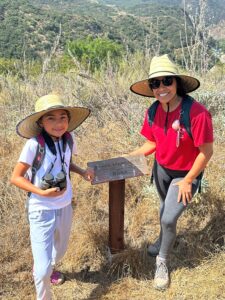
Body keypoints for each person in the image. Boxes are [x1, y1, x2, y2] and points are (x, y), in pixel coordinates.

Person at [129, 54, 213, 290]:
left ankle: (162, 261)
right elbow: (151, 143)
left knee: (168, 217)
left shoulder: (197, 113)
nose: (161, 88)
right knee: (164, 209)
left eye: (167, 81)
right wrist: (129, 158)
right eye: (155, 83)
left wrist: (188, 180)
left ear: (177, 83)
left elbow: (206, 152)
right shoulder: (154, 110)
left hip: (185, 174)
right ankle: (162, 240)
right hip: (162, 169)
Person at [10, 94, 94, 300]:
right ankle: (44, 288)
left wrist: (82, 172)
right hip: (41, 208)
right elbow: (16, 177)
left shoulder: (68, 139)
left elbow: (65, 164)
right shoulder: (33, 144)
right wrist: (41, 192)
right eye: (51, 118)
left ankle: (50, 267)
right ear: (40, 122)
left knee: (61, 249)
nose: (59, 123)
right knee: (42, 269)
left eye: (63, 117)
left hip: (65, 204)